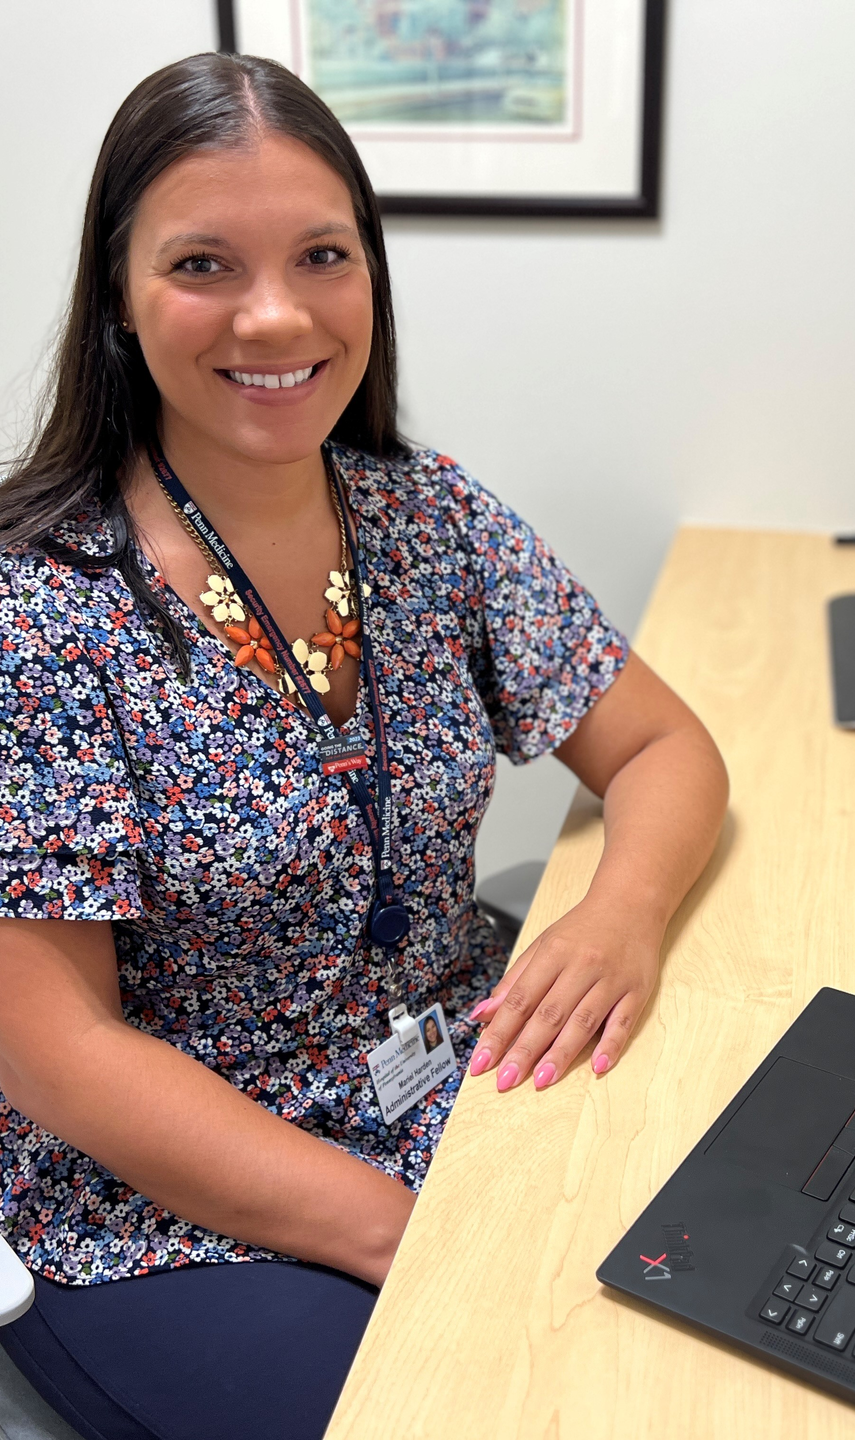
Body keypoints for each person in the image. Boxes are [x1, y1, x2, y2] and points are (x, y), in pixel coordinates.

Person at [0, 51, 728, 1440]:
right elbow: (55, 1055)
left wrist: (619, 919)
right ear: (117, 295)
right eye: (205, 263)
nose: (275, 316)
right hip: (164, 1198)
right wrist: (421, 1238)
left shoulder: (424, 516)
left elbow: (667, 748)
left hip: (446, 1077)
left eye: (321, 256)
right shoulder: (39, 603)